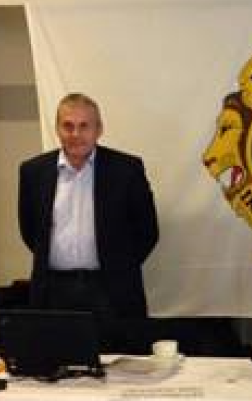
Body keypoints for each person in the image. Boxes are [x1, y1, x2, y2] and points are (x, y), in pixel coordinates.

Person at [18, 93, 159, 319]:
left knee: (116, 344)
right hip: (53, 293)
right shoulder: (33, 172)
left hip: (112, 291)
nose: (76, 134)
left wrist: (119, 266)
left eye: (84, 126)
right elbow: (29, 231)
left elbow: (147, 231)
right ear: (57, 129)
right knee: (57, 345)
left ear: (98, 129)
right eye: (68, 126)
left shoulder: (127, 170)